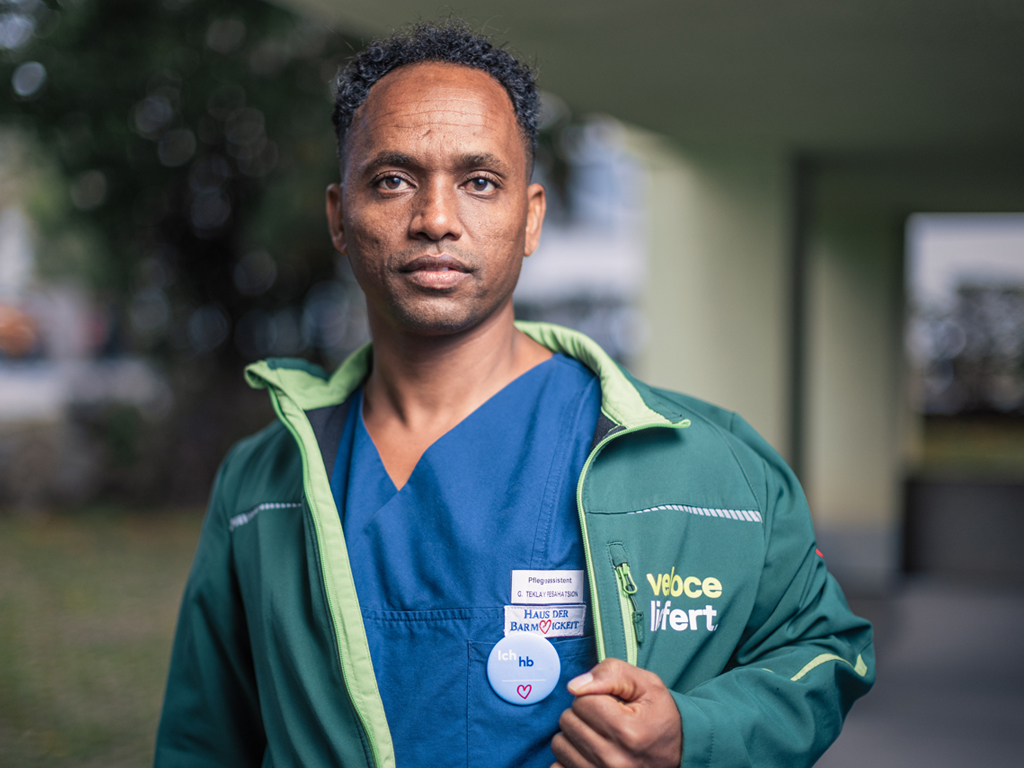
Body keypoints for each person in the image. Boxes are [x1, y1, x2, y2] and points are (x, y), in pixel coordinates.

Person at [155, 20, 873, 768]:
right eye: (394, 180)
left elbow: (826, 652)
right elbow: (203, 742)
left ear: (529, 218)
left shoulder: (709, 468)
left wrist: (695, 733)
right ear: (341, 216)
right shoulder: (261, 484)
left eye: (480, 182)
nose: (435, 220)